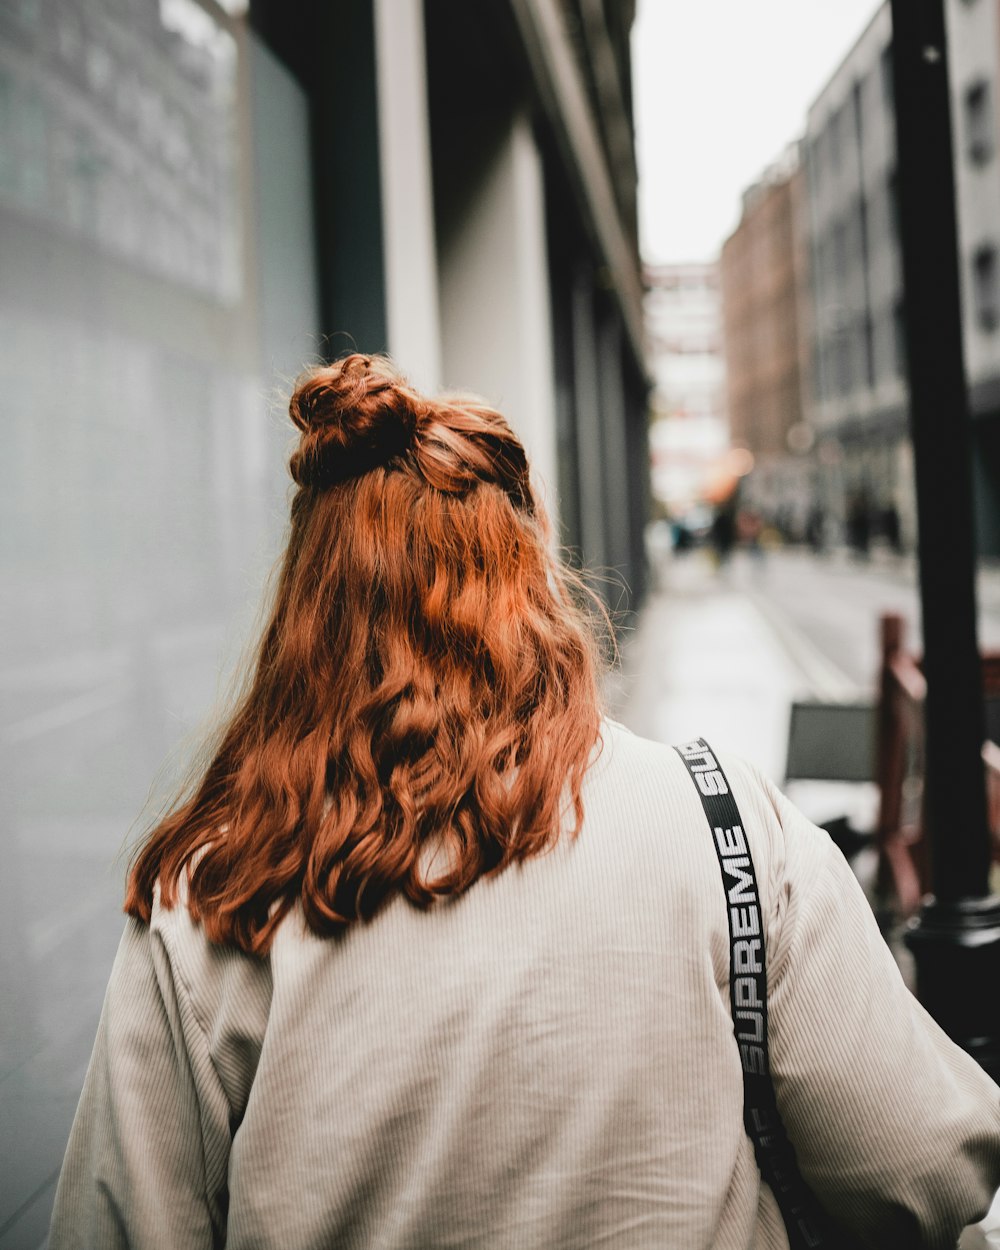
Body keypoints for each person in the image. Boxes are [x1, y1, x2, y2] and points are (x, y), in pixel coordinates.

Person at [51, 354, 1000, 1249]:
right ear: (531, 584)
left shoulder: (215, 892)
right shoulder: (723, 826)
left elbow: (118, 1220)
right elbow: (923, 1170)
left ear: (308, 613)